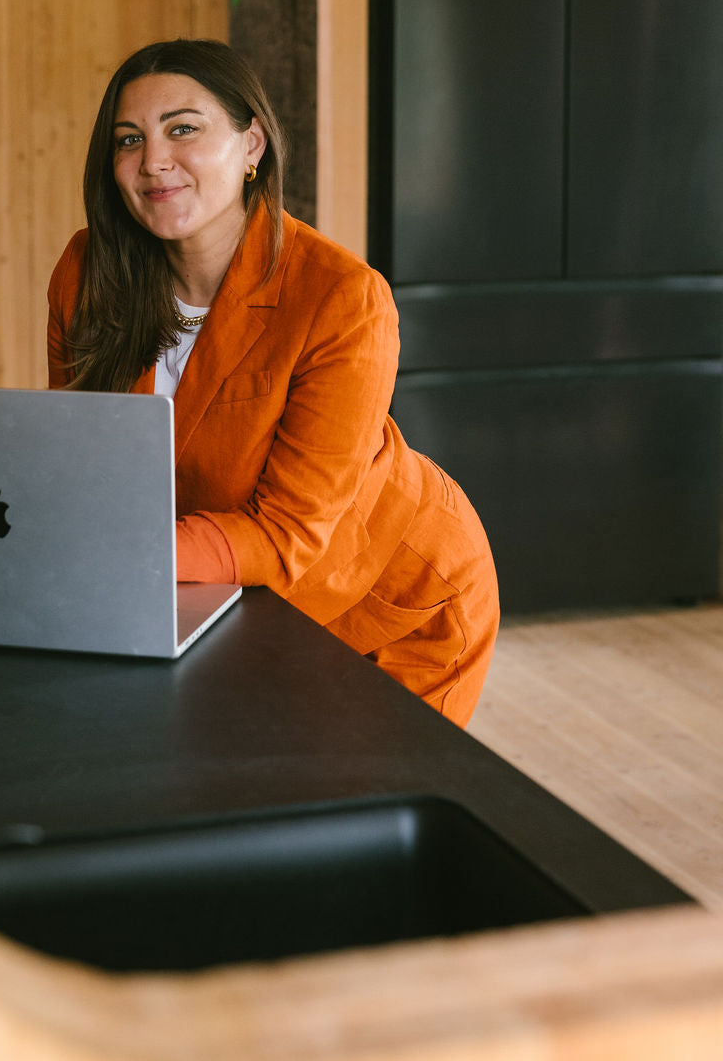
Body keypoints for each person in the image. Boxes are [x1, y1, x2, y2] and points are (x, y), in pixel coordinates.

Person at [47, 39, 499, 726]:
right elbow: (82, 460)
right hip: (213, 598)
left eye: (183, 128)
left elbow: (286, 533)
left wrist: (109, 548)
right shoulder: (86, 272)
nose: (153, 160)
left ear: (251, 145)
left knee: (331, 823)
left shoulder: (343, 297)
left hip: (384, 604)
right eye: (129, 138)